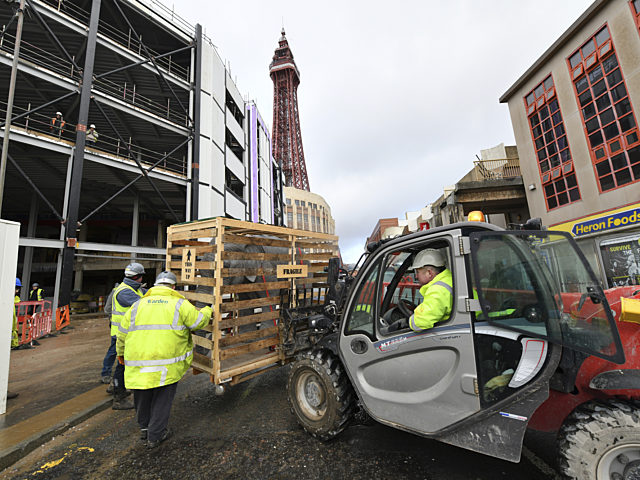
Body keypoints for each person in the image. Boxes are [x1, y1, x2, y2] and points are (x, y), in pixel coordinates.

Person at [117, 271, 212, 448]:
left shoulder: (138, 305)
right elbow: (198, 322)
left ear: (155, 285)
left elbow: (122, 333)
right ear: (173, 287)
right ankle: (156, 435)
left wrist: (120, 353)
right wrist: (208, 310)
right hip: (166, 363)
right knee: (162, 399)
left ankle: (145, 429)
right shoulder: (179, 304)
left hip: (138, 361)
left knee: (142, 394)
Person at [383, 249, 453, 333]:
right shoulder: (448, 279)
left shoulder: (438, 290)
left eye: (418, 272)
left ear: (429, 273)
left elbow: (421, 322)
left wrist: (406, 322)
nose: (416, 276)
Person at [110, 263, 146, 410]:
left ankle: (118, 385)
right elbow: (144, 306)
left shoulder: (134, 289)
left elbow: (146, 293)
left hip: (129, 334)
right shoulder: (125, 292)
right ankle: (118, 396)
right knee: (122, 364)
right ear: (137, 277)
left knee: (125, 363)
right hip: (122, 335)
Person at [99, 283, 119, 385]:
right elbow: (107, 309)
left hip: (127, 327)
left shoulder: (135, 291)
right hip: (118, 327)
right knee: (114, 350)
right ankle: (106, 373)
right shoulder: (117, 291)